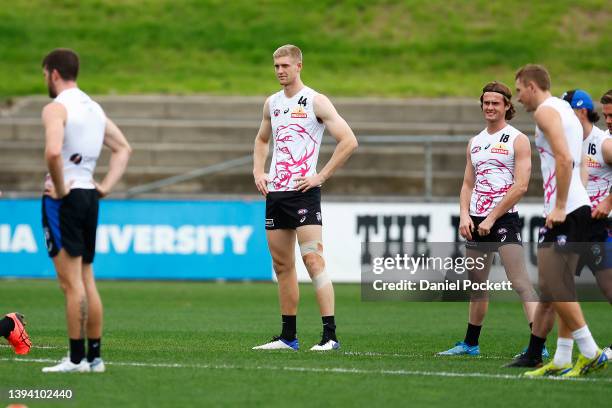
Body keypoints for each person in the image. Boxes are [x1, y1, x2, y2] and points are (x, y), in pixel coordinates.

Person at [252, 44, 358, 351]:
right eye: (276, 66)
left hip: (303, 194)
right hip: (277, 195)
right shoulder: (271, 103)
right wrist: (259, 172)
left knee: (313, 260)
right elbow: (261, 139)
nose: (280, 71)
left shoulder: (315, 101)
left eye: (285, 65)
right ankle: (288, 337)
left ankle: (330, 336)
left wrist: (320, 176)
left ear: (299, 66)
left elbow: (349, 141)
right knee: (282, 266)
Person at [505, 64, 607, 377]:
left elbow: (564, 159)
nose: (518, 98)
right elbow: (578, 163)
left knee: (551, 283)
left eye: (519, 90)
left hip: (567, 208)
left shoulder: (546, 113)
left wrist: (560, 206)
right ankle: (563, 358)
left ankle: (590, 352)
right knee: (557, 287)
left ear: (532, 86)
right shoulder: (565, 109)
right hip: (579, 205)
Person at [39, 49, 131, 372]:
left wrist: (62, 188)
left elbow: (53, 152)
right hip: (89, 196)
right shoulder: (94, 109)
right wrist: (104, 186)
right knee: (87, 277)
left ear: (53, 73)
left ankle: (76, 358)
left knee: (70, 283)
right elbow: (123, 149)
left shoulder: (56, 108)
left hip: (64, 199)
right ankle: (94, 357)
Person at [438, 81, 539, 357]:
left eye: (496, 103)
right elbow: (467, 184)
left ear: (508, 106)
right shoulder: (475, 142)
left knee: (520, 282)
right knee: (476, 286)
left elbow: (520, 186)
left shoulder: (517, 139)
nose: (490, 107)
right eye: (486, 103)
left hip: (504, 219)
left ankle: (538, 345)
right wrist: (464, 216)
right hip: (477, 220)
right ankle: (470, 343)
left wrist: (493, 218)